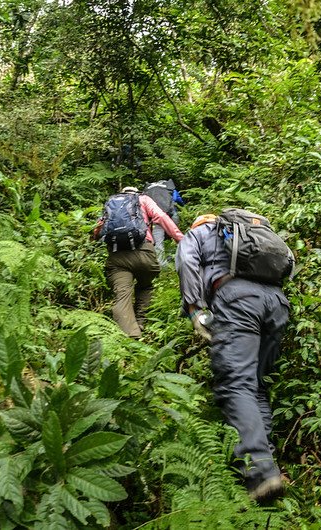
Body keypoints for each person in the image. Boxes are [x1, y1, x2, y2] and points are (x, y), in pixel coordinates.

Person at [175, 213, 290, 503]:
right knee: (256, 385)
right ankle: (268, 462)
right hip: (277, 303)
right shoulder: (250, 236)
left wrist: (195, 309)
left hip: (238, 301)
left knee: (236, 385)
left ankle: (261, 473)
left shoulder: (199, 233)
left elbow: (187, 262)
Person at [93, 186, 184, 338]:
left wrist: (94, 238)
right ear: (136, 192)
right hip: (144, 254)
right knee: (145, 285)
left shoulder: (112, 202)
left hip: (117, 256)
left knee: (122, 296)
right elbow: (161, 217)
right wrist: (180, 239)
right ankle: (141, 321)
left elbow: (98, 229)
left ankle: (131, 335)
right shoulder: (143, 199)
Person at [143, 179, 185, 267]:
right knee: (172, 238)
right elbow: (177, 199)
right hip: (171, 216)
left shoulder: (149, 191)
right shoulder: (169, 188)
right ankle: (175, 260)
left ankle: (162, 265)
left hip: (156, 219)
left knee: (159, 242)